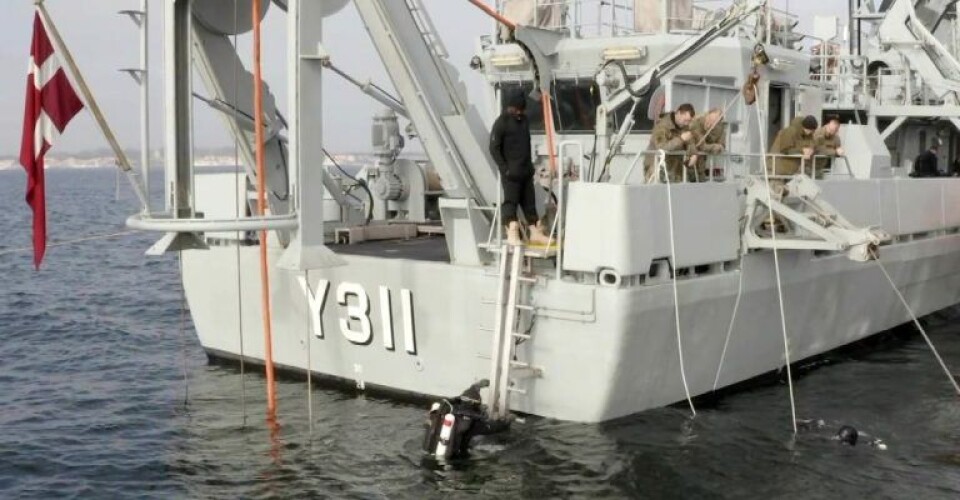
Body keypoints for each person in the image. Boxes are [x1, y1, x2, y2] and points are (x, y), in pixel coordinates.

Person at [489, 90, 551, 246]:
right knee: (511, 202)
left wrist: (530, 167)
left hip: (525, 170)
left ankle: (535, 232)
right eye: (517, 109)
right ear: (511, 107)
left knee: (530, 203)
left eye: (521, 110)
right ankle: (511, 232)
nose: (519, 112)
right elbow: (493, 148)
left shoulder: (524, 121)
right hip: (511, 172)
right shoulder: (501, 123)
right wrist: (505, 169)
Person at [644, 103, 697, 182]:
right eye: (685, 120)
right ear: (679, 113)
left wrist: (694, 154)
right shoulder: (662, 126)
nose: (687, 123)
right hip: (658, 167)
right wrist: (681, 139)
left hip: (675, 170)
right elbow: (661, 147)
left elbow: (690, 142)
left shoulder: (684, 127)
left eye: (689, 121)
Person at [769, 115, 818, 180]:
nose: (812, 133)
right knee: (778, 189)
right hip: (777, 170)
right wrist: (803, 151)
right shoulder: (790, 131)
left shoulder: (808, 135)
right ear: (805, 127)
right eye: (811, 130)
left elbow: (813, 143)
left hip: (791, 171)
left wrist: (811, 150)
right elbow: (785, 150)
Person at [689, 107, 727, 181]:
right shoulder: (696, 123)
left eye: (714, 122)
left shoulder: (720, 128)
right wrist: (716, 147)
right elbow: (702, 146)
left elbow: (722, 145)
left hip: (702, 165)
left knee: (701, 181)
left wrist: (719, 147)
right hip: (689, 160)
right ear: (707, 115)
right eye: (709, 119)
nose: (710, 123)